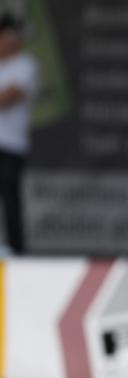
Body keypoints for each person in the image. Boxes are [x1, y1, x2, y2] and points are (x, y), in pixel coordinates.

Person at [0, 13, 38, 254]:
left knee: (10, 200)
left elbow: (10, 97)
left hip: (11, 145)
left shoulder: (26, 64)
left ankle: (18, 252)